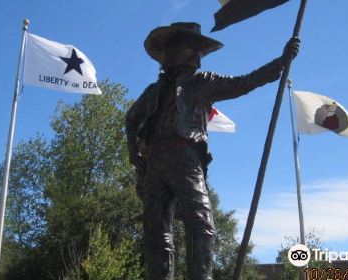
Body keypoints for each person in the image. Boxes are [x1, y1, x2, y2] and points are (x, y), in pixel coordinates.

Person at [125, 22, 299, 280]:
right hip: (155, 163)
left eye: (199, 50)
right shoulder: (153, 92)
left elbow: (246, 82)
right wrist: (136, 158)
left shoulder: (204, 82)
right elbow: (131, 119)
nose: (197, 56)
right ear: (171, 53)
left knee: (201, 225)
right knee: (156, 231)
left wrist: (281, 62)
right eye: (191, 48)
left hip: (186, 158)